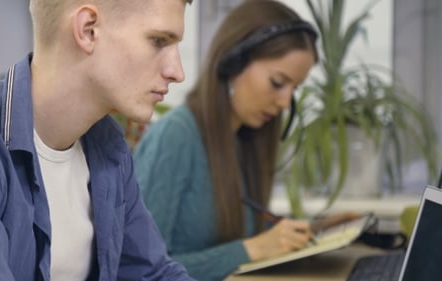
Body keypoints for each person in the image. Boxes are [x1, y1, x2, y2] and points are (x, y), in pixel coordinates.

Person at [0, 0, 196, 280]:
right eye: (158, 41)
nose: (177, 72)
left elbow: (154, 273)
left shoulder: (108, 146)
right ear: (88, 30)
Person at [133, 0, 357, 280]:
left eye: (294, 89)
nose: (285, 102)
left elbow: (237, 238)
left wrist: (310, 232)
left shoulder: (243, 139)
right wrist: (251, 249)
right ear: (232, 63)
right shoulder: (175, 136)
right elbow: (141, 270)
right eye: (277, 82)